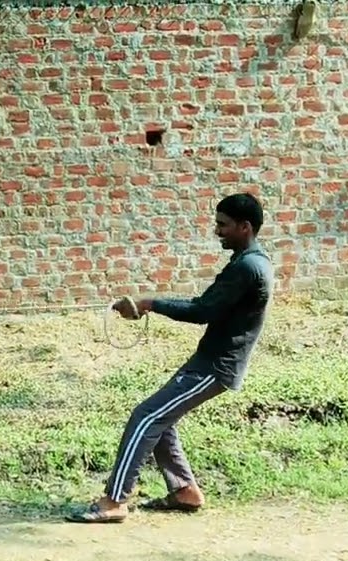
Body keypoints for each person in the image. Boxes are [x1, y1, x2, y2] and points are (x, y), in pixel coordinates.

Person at [66, 192, 274, 524]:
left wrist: (149, 303)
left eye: (223, 225)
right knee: (161, 420)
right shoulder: (249, 261)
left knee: (146, 417)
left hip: (216, 366)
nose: (217, 231)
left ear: (245, 227)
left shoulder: (249, 266)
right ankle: (184, 491)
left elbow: (201, 310)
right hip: (209, 361)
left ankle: (114, 501)